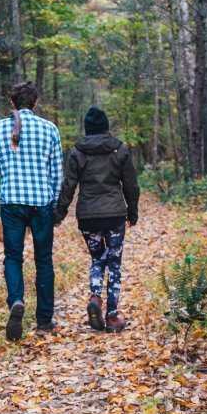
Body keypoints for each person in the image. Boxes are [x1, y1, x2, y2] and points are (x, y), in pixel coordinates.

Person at [0, 82, 63, 342]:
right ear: (36, 102)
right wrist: (54, 205)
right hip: (41, 202)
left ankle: (16, 300)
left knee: (13, 257)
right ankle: (44, 320)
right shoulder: (49, 128)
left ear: (12, 103)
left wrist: (9, 165)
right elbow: (57, 174)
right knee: (44, 260)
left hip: (12, 202)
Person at [54, 107, 140, 333]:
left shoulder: (77, 152)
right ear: (106, 127)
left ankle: (95, 296)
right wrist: (133, 212)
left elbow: (69, 185)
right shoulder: (119, 149)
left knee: (97, 259)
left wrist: (59, 214)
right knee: (114, 263)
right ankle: (112, 317)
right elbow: (131, 184)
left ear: (87, 129)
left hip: (88, 217)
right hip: (114, 216)